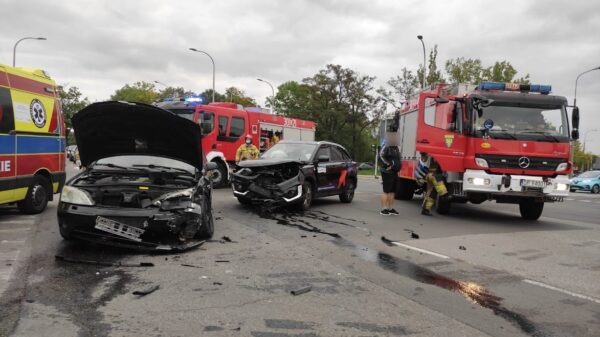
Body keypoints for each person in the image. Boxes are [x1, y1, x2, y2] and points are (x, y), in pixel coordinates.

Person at [379, 132, 401, 216]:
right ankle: (384, 209)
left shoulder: (396, 148)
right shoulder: (386, 146)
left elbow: (397, 159)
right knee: (386, 191)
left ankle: (390, 208)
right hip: (387, 172)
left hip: (395, 172)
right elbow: (381, 156)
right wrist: (388, 165)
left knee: (392, 191)